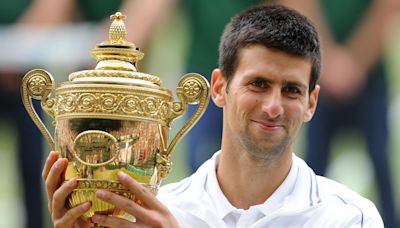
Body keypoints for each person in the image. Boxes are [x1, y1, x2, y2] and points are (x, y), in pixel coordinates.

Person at [42, 4, 384, 227]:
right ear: (218, 88)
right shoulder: (156, 211)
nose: (274, 106)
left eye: (292, 90)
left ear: (311, 102)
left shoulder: (350, 217)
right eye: (258, 84)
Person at [276, 1, 399, 227]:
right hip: (320, 76)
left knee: (382, 169)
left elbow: (388, 6)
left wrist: (356, 62)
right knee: (311, 170)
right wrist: (327, 61)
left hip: (370, 80)